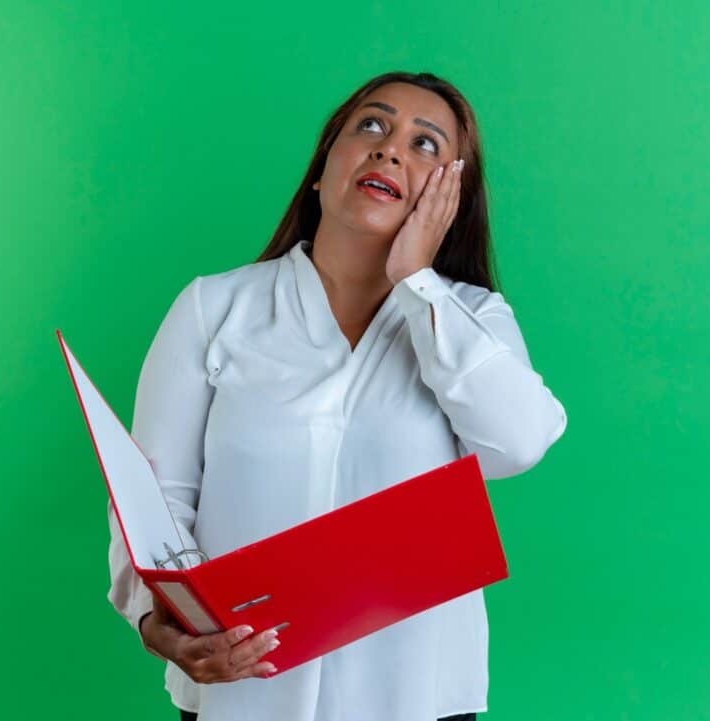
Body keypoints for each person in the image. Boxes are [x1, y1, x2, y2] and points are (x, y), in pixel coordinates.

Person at [106, 70, 568, 721]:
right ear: (323, 169)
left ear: (448, 199)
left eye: (426, 144)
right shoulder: (215, 309)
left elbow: (519, 442)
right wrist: (159, 621)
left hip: (417, 700)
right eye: (372, 126)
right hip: (242, 698)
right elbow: (153, 506)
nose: (390, 149)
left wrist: (417, 279)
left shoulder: (470, 320)